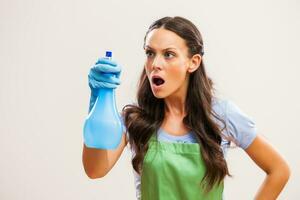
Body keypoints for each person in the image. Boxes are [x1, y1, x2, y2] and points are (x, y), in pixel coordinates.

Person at [82, 16, 290, 200]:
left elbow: (279, 170)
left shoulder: (220, 115)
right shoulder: (134, 119)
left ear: (193, 62)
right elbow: (95, 169)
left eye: (168, 54)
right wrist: (97, 105)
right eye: (150, 53)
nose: (155, 63)